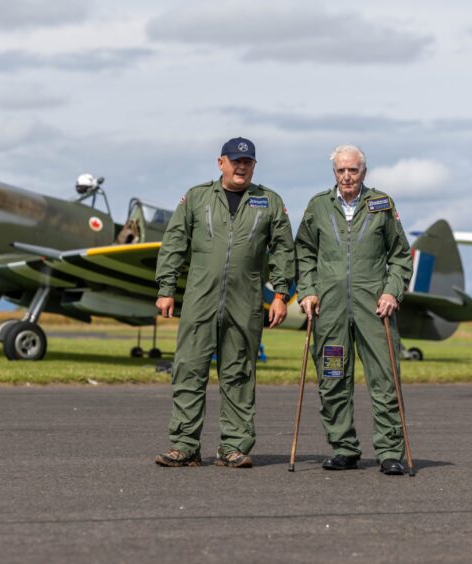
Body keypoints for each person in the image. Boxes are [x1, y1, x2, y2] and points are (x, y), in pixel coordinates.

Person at [154, 137, 296, 468]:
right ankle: (185, 445)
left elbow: (284, 250)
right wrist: (165, 288)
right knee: (189, 369)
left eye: (247, 162)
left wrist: (279, 296)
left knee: (238, 374)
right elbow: (175, 241)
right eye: (235, 161)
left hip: (245, 303)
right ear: (221, 163)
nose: (241, 166)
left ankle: (233, 446)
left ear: (254, 166)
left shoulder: (269, 201)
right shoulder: (197, 197)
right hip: (199, 300)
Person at [295, 144, 413, 475]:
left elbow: (401, 255)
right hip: (330, 312)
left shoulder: (381, 204)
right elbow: (303, 251)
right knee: (332, 377)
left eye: (353, 170)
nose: (347, 176)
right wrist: (307, 290)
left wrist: (392, 292)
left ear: (364, 171)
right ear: (334, 173)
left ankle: (390, 452)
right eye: (341, 171)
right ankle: (344, 447)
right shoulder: (318, 206)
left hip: (374, 311)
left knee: (385, 378)